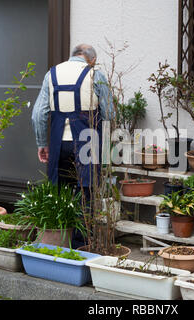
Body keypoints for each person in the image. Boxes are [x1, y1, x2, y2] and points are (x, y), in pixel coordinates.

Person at [31, 44, 114, 248]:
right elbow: (110, 114)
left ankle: (58, 240)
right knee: (85, 191)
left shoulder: (52, 74)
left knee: (60, 192)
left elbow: (38, 114)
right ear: (91, 60)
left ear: (73, 56)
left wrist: (42, 143)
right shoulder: (96, 74)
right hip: (87, 142)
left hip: (59, 144)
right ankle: (80, 244)